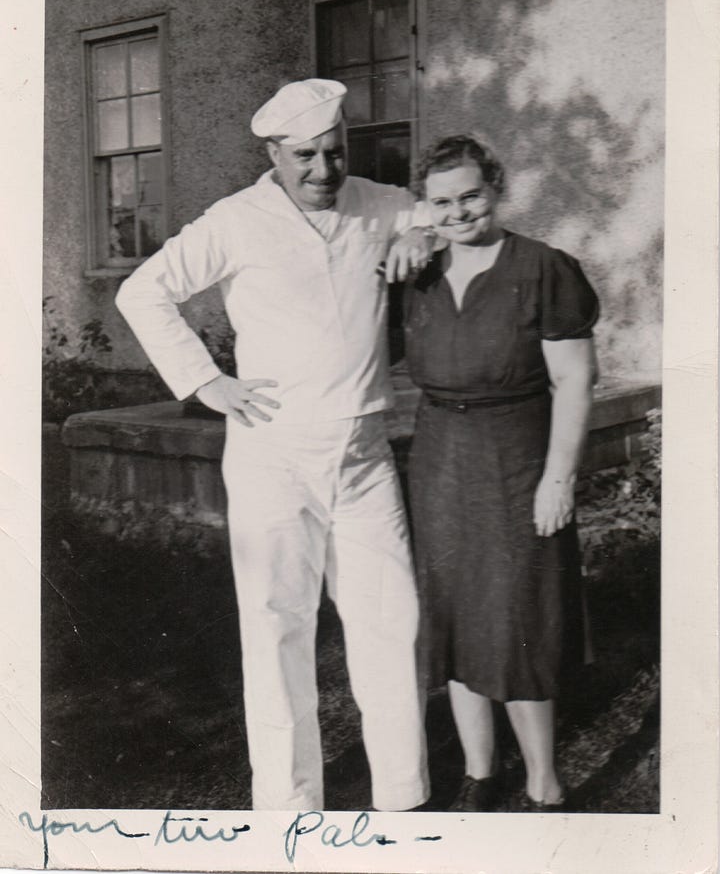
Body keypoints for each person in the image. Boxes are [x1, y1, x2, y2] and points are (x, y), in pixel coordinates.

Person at [116, 79, 433, 812]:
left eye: (333, 152)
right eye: (305, 157)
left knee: (391, 622)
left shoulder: (376, 204)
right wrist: (204, 381)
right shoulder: (236, 221)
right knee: (277, 627)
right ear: (273, 154)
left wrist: (422, 231)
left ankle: (404, 799)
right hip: (273, 456)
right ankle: (290, 810)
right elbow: (144, 291)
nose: (323, 171)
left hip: (364, 455)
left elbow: (442, 217)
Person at [403, 134, 599, 812]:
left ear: (495, 189)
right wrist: (399, 242)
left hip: (517, 455)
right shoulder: (417, 274)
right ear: (425, 208)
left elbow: (575, 380)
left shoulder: (543, 268)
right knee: (454, 613)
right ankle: (480, 773)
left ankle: (544, 780)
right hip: (439, 460)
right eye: (442, 202)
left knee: (520, 613)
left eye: (471, 196)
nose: (459, 213)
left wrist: (558, 479)